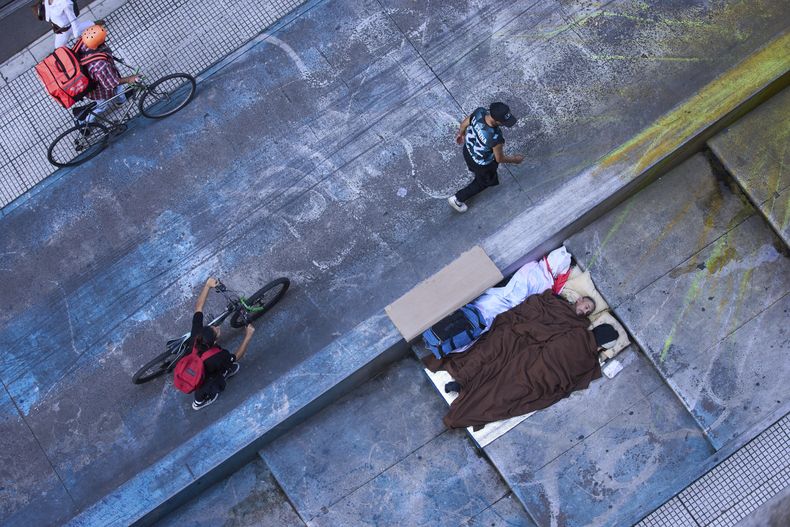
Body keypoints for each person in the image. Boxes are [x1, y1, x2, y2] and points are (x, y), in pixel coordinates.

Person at [188, 277, 256, 410]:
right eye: (216, 330)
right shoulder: (218, 356)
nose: (217, 327)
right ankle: (199, 402)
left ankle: (224, 370)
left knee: (219, 366)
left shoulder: (197, 334)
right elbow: (236, 357)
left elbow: (198, 307)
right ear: (214, 342)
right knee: (211, 382)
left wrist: (207, 285)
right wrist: (248, 336)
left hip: (192, 359)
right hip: (203, 374)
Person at [448, 102, 524, 213]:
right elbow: (499, 158)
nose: (504, 124)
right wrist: (515, 160)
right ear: (496, 121)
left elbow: (464, 123)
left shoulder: (479, 113)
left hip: (468, 151)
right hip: (482, 163)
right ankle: (457, 199)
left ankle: (474, 171)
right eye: (504, 122)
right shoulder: (495, 137)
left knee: (472, 166)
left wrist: (461, 134)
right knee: (483, 182)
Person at [73, 24, 139, 122]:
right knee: (101, 106)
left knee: (118, 89)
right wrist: (130, 79)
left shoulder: (82, 41)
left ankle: (121, 100)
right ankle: (83, 123)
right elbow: (111, 84)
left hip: (89, 78)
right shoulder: (100, 65)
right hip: (98, 91)